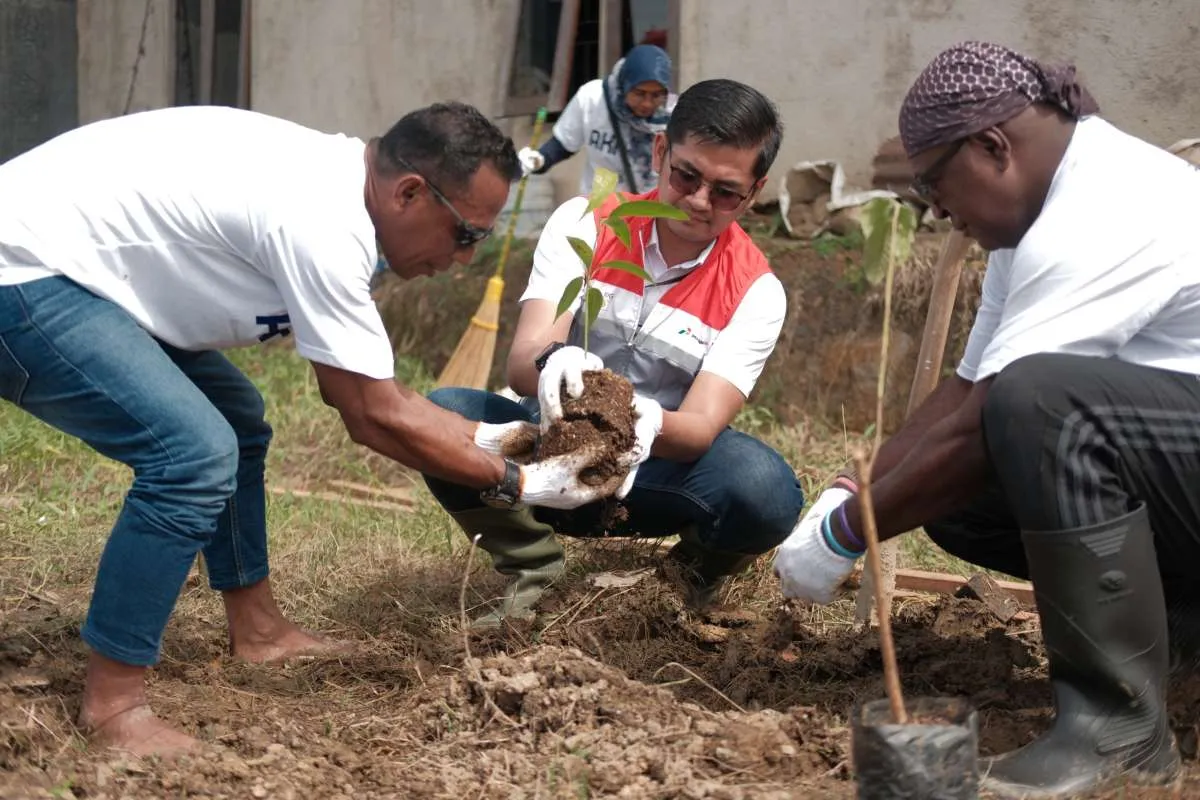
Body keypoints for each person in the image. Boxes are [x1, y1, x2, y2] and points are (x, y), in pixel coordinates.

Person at [0, 102, 631, 757]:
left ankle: (258, 630)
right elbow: (369, 413)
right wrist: (523, 483)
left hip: (75, 265)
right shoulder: (322, 223)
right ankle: (113, 706)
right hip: (22, 270)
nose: (466, 257)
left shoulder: (341, 194)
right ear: (410, 192)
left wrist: (508, 441)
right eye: (465, 233)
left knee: (236, 422)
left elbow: (371, 392)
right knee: (192, 456)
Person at [772, 41, 1200, 798]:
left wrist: (846, 534)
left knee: (1045, 409)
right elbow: (969, 390)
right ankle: (1181, 639)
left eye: (935, 183)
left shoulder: (1104, 206)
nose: (936, 210)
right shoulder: (1032, 222)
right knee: (957, 495)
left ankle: (1118, 734)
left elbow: (998, 416)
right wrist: (850, 486)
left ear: (993, 146)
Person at [425, 78, 805, 628]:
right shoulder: (588, 224)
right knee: (442, 417)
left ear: (755, 190)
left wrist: (642, 421)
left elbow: (699, 427)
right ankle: (532, 563)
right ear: (660, 151)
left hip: (648, 474)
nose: (699, 201)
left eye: (726, 192)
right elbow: (524, 358)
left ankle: (684, 583)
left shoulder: (755, 290)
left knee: (766, 488)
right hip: (545, 452)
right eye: (687, 176)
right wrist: (552, 362)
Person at [517, 44, 674, 194]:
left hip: (651, 207)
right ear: (624, 85)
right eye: (639, 93)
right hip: (601, 206)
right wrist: (539, 160)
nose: (647, 103)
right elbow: (563, 145)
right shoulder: (593, 99)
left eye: (656, 95)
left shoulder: (673, 114)